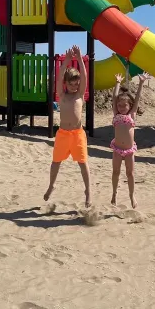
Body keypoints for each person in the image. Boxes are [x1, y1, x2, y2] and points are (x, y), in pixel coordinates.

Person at [43, 45, 92, 207]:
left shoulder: (79, 95)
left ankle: (88, 191)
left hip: (77, 134)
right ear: (66, 84)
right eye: (71, 84)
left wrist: (79, 60)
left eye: (76, 84)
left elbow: (84, 76)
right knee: (55, 162)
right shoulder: (62, 95)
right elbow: (58, 77)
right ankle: (51, 185)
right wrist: (67, 61)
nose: (75, 86)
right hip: (63, 134)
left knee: (83, 162)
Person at [111, 71, 150, 209]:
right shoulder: (116, 114)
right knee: (115, 172)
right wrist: (117, 83)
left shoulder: (132, 115)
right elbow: (114, 98)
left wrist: (141, 83)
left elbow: (137, 98)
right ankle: (114, 193)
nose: (121, 108)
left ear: (130, 105)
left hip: (129, 151)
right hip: (117, 149)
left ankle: (131, 195)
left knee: (130, 174)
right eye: (119, 105)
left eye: (124, 105)